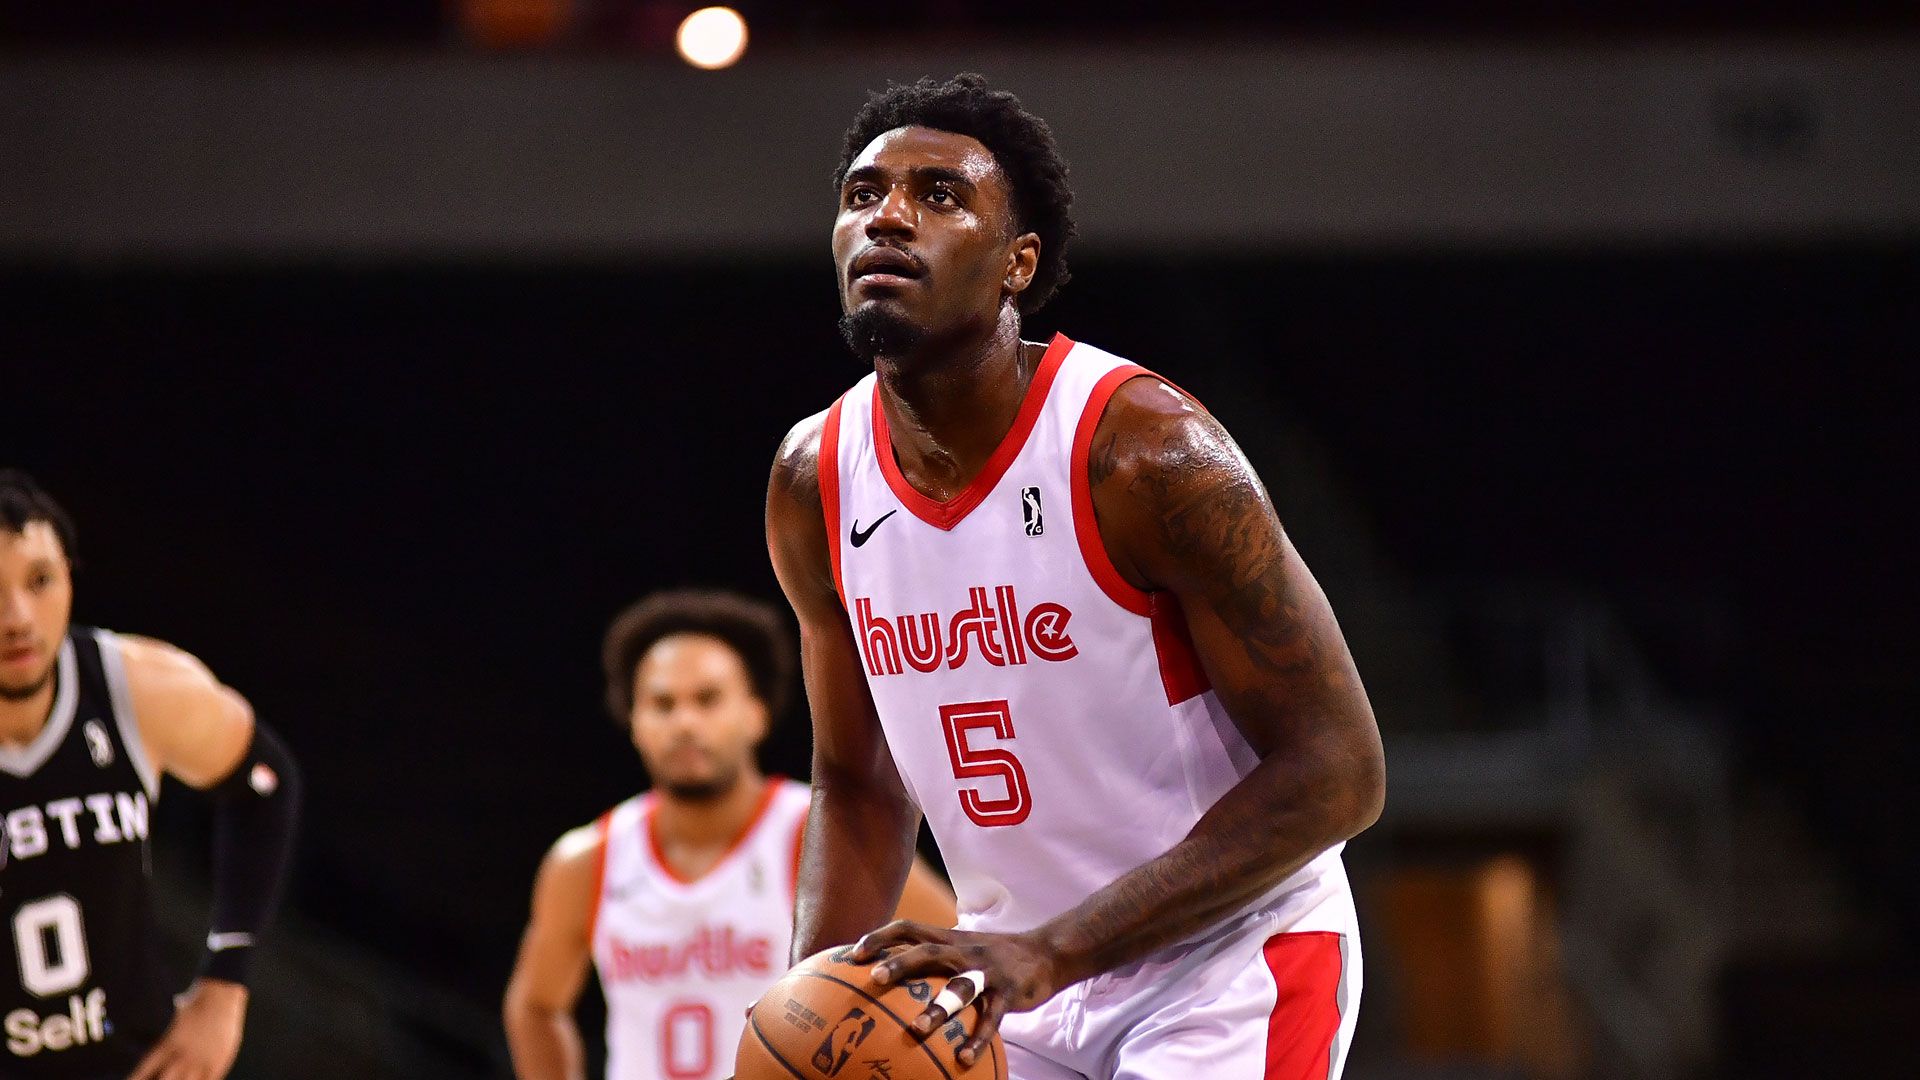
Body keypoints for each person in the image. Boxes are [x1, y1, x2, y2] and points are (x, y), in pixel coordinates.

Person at [765, 75, 1387, 1079]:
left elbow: (1341, 773)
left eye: (938, 195)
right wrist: (811, 1014)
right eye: (862, 194)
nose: (886, 217)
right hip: (1005, 977)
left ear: (1019, 264)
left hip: (1223, 963)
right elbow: (859, 782)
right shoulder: (814, 479)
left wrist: (1051, 951)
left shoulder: (1144, 452)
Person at [503, 589, 954, 1080]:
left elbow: (958, 946)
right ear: (633, 721)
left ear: (756, 713)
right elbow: (536, 1006)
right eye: (662, 703)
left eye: (707, 699)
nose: (685, 722)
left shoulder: (817, 835)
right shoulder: (589, 859)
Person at [0, 470, 302, 1080]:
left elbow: (265, 785)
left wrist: (226, 984)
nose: (17, 616)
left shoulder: (136, 687)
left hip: (138, 1060)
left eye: (40, 581)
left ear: (70, 576)